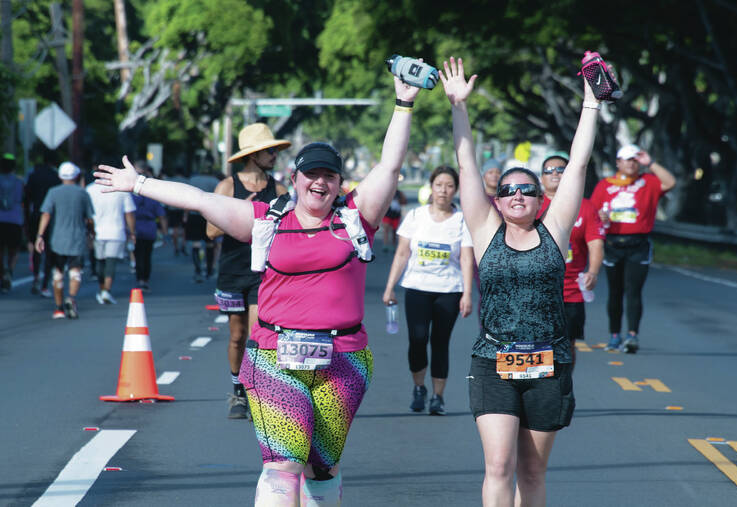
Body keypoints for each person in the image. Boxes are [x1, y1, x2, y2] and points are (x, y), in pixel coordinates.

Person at [95, 72, 419, 506]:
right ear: (296, 177)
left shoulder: (356, 218)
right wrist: (138, 184)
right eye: (311, 174)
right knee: (283, 465)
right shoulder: (266, 218)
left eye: (329, 175)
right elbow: (199, 200)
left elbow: (390, 166)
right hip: (274, 354)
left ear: (341, 183)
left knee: (323, 466)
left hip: (344, 357)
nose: (320, 183)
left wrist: (404, 104)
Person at [440, 55, 600, 506]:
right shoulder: (486, 231)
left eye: (526, 189)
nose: (516, 195)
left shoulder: (554, 231)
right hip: (494, 362)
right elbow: (467, 166)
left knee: (532, 471)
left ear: (539, 199)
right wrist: (458, 107)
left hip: (549, 363)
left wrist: (590, 103)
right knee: (498, 466)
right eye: (507, 189)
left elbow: (578, 166)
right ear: (498, 198)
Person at [206, 123, 290, 419]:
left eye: (276, 150)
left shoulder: (278, 190)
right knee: (237, 335)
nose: (275, 155)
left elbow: (289, 229)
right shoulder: (227, 187)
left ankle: (256, 390)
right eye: (270, 150)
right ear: (253, 155)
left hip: (263, 273)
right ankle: (237, 391)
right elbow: (211, 230)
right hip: (231, 271)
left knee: (258, 334)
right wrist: (240, 209)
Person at [382, 165, 473, 415]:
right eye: (439, 185)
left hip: (449, 290)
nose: (444, 190)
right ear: (431, 187)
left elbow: (466, 258)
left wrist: (467, 293)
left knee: (441, 342)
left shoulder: (462, 220)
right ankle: (419, 387)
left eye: (449, 186)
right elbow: (402, 253)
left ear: (455, 190)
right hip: (417, 287)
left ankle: (438, 397)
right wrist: (390, 287)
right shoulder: (415, 216)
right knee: (418, 339)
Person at [591, 144, 675, 353]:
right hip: (612, 244)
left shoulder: (648, 183)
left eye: (634, 160)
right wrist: (599, 217)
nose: (631, 163)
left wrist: (651, 163)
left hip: (638, 244)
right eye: (627, 159)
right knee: (615, 292)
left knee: (634, 291)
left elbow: (670, 182)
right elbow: (593, 213)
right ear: (618, 162)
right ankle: (614, 335)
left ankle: (632, 336)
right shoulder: (604, 185)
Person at [538, 151, 605, 368]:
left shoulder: (585, 207)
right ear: (541, 178)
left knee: (567, 345)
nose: (555, 173)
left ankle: (563, 390)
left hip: (571, 292)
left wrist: (593, 271)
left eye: (561, 169)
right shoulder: (531, 205)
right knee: (537, 345)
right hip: (537, 290)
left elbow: (595, 243)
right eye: (549, 170)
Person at [35, 162, 94, 319]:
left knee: (58, 275)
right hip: (77, 238)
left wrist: (40, 236)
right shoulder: (82, 194)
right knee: (75, 273)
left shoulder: (53, 192)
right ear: (76, 176)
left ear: (60, 176)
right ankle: (71, 298)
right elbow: (89, 218)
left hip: (57, 239)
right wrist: (92, 234)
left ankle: (59, 308)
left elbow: (46, 214)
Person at [86, 169, 137, 304]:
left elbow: (87, 214)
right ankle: (106, 291)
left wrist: (88, 231)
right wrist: (132, 232)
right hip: (116, 230)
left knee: (100, 261)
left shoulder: (89, 189)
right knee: (111, 262)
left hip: (96, 231)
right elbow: (129, 213)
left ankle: (102, 289)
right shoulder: (121, 189)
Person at [24, 152, 61, 297]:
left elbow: (26, 198)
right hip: (51, 216)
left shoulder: (34, 176)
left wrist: (26, 218)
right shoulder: (55, 177)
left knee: (36, 247)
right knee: (50, 251)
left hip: (36, 214)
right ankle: (46, 283)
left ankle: (35, 278)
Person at [132, 161, 168, 292]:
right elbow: (162, 215)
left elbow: (128, 213)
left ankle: (139, 278)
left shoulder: (131, 194)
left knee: (137, 254)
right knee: (147, 255)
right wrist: (164, 233)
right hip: (150, 227)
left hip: (136, 226)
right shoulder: (152, 195)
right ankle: (145, 280)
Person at [186, 166, 219, 282]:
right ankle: (209, 270)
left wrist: (185, 215)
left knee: (195, 244)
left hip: (194, 215)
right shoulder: (215, 181)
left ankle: (198, 270)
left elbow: (186, 198)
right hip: (209, 216)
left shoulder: (193, 180)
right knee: (210, 243)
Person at [0, 153, 25, 294]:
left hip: (0, 219)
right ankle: (9, 269)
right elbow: (25, 200)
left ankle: (3, 272)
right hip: (15, 219)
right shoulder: (19, 182)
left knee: (0, 249)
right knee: (13, 250)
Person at [162, 166, 188, 256]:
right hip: (183, 207)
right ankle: (183, 246)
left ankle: (176, 247)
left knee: (175, 229)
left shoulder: (170, 180)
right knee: (184, 229)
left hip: (172, 207)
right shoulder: (186, 181)